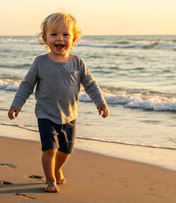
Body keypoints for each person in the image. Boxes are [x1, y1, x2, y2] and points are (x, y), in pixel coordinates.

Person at [8, 12, 109, 193]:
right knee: (50, 149)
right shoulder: (40, 62)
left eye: (65, 34)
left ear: (74, 39)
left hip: (70, 115)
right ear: (45, 38)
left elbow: (90, 85)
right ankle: (49, 179)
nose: (59, 38)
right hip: (46, 114)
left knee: (66, 151)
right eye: (54, 34)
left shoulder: (78, 63)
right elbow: (27, 85)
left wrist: (100, 102)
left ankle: (57, 168)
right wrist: (17, 105)